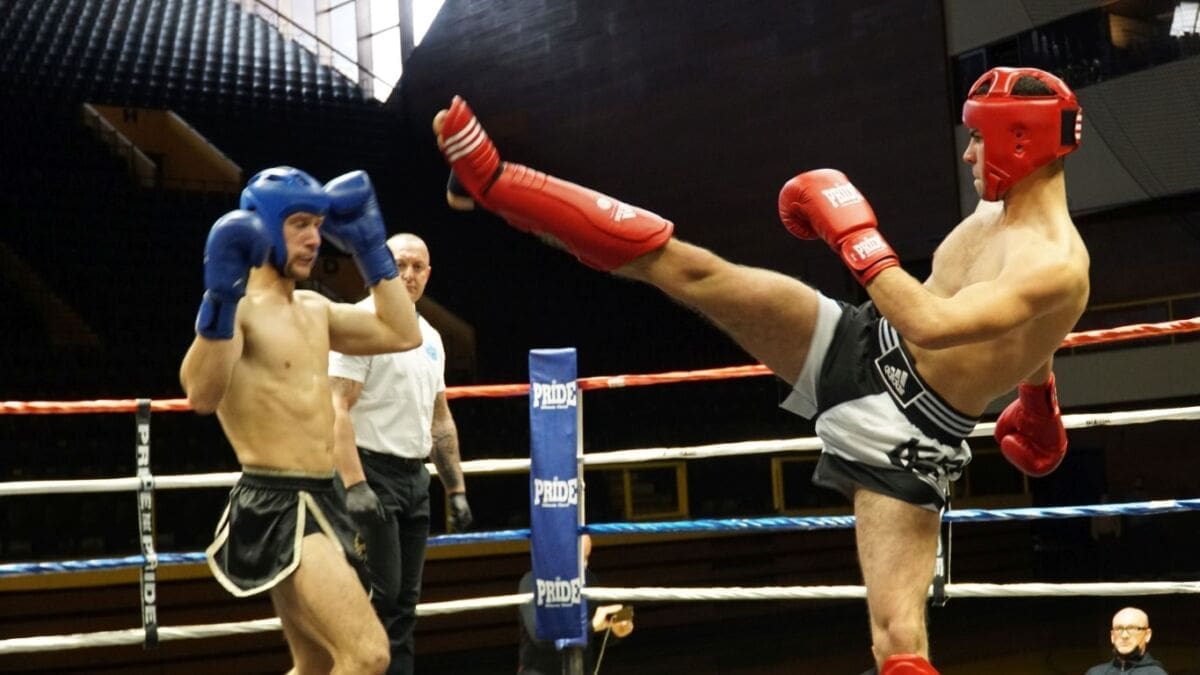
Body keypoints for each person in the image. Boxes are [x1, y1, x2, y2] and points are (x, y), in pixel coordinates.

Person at [433, 65, 1089, 675]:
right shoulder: (995, 213)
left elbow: (932, 322)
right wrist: (1039, 398)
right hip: (861, 340)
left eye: (978, 137)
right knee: (690, 268)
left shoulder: (1057, 265)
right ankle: (496, 183)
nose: (969, 153)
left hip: (907, 433)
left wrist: (853, 235)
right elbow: (1025, 328)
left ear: (1020, 141)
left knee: (897, 640)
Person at [180, 166, 421, 674]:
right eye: (300, 224)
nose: (315, 239)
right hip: (277, 501)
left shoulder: (315, 309)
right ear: (263, 226)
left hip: (323, 494)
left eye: (318, 224)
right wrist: (219, 299)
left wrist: (371, 250)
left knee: (314, 661)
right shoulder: (242, 312)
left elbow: (404, 334)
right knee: (368, 654)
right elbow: (200, 394)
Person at [328, 232, 474, 675]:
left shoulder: (430, 337)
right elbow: (335, 407)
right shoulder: (359, 322)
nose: (408, 275)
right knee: (379, 595)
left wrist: (455, 489)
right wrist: (355, 484)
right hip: (369, 472)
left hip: (414, 478)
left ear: (428, 274)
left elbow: (440, 419)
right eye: (399, 265)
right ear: (382, 269)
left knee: (405, 604)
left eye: (417, 267)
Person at [518, 535, 634, 674]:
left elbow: (596, 634)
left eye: (587, 557)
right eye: (581, 557)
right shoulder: (532, 581)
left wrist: (614, 631)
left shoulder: (588, 579)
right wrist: (592, 626)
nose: (585, 563)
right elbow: (541, 639)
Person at [1085, 607, 1169, 674]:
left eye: (1132, 628)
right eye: (1119, 628)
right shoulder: (1095, 673)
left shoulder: (1156, 673)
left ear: (1147, 635)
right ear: (1112, 636)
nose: (1124, 635)